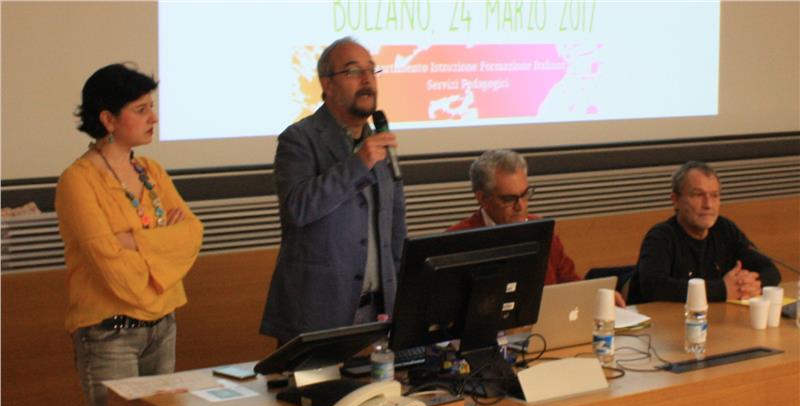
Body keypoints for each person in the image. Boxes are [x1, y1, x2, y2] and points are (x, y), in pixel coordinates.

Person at [55, 63, 203, 406]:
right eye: (140, 110)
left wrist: (134, 241)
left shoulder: (151, 172)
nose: (153, 117)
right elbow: (110, 267)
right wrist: (160, 249)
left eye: (151, 107)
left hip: (163, 327)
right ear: (107, 119)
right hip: (109, 336)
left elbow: (192, 234)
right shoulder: (78, 181)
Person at [260, 37, 406, 345]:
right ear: (327, 84)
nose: (367, 80)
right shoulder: (299, 139)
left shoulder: (378, 142)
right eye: (353, 71)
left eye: (371, 70)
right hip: (318, 316)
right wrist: (358, 163)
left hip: (379, 315)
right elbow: (298, 209)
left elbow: (395, 229)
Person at [448, 149, 626, 305]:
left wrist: (596, 296)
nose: (520, 206)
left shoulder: (542, 231)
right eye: (509, 199)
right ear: (482, 198)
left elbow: (570, 284)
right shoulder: (458, 241)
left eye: (525, 194)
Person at [628, 161, 780, 303]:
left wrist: (752, 285)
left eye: (714, 195)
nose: (708, 205)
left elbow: (770, 270)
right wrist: (722, 290)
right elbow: (654, 287)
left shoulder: (725, 229)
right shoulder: (660, 236)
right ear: (675, 200)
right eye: (698, 195)